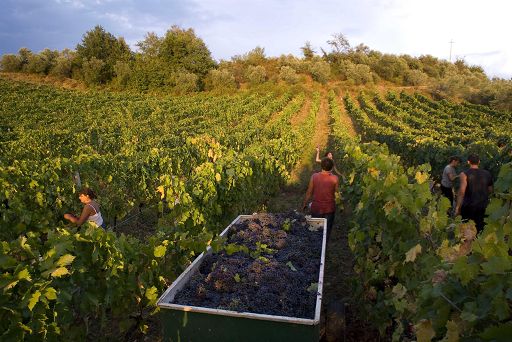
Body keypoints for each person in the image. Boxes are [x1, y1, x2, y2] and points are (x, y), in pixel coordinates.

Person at [302, 157, 340, 241]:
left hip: (316, 208)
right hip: (329, 209)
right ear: (332, 167)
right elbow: (337, 194)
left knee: (316, 231)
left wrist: (304, 204)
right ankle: (324, 248)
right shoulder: (335, 178)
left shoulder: (314, 176)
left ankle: (316, 249)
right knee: (327, 231)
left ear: (321, 166)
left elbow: (309, 192)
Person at [455, 154, 493, 232]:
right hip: (483, 206)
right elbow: (490, 190)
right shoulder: (487, 174)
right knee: (481, 232)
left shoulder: (464, 174)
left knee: (468, 233)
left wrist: (458, 207)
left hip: (468, 207)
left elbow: (462, 192)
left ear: (468, 162)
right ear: (479, 162)